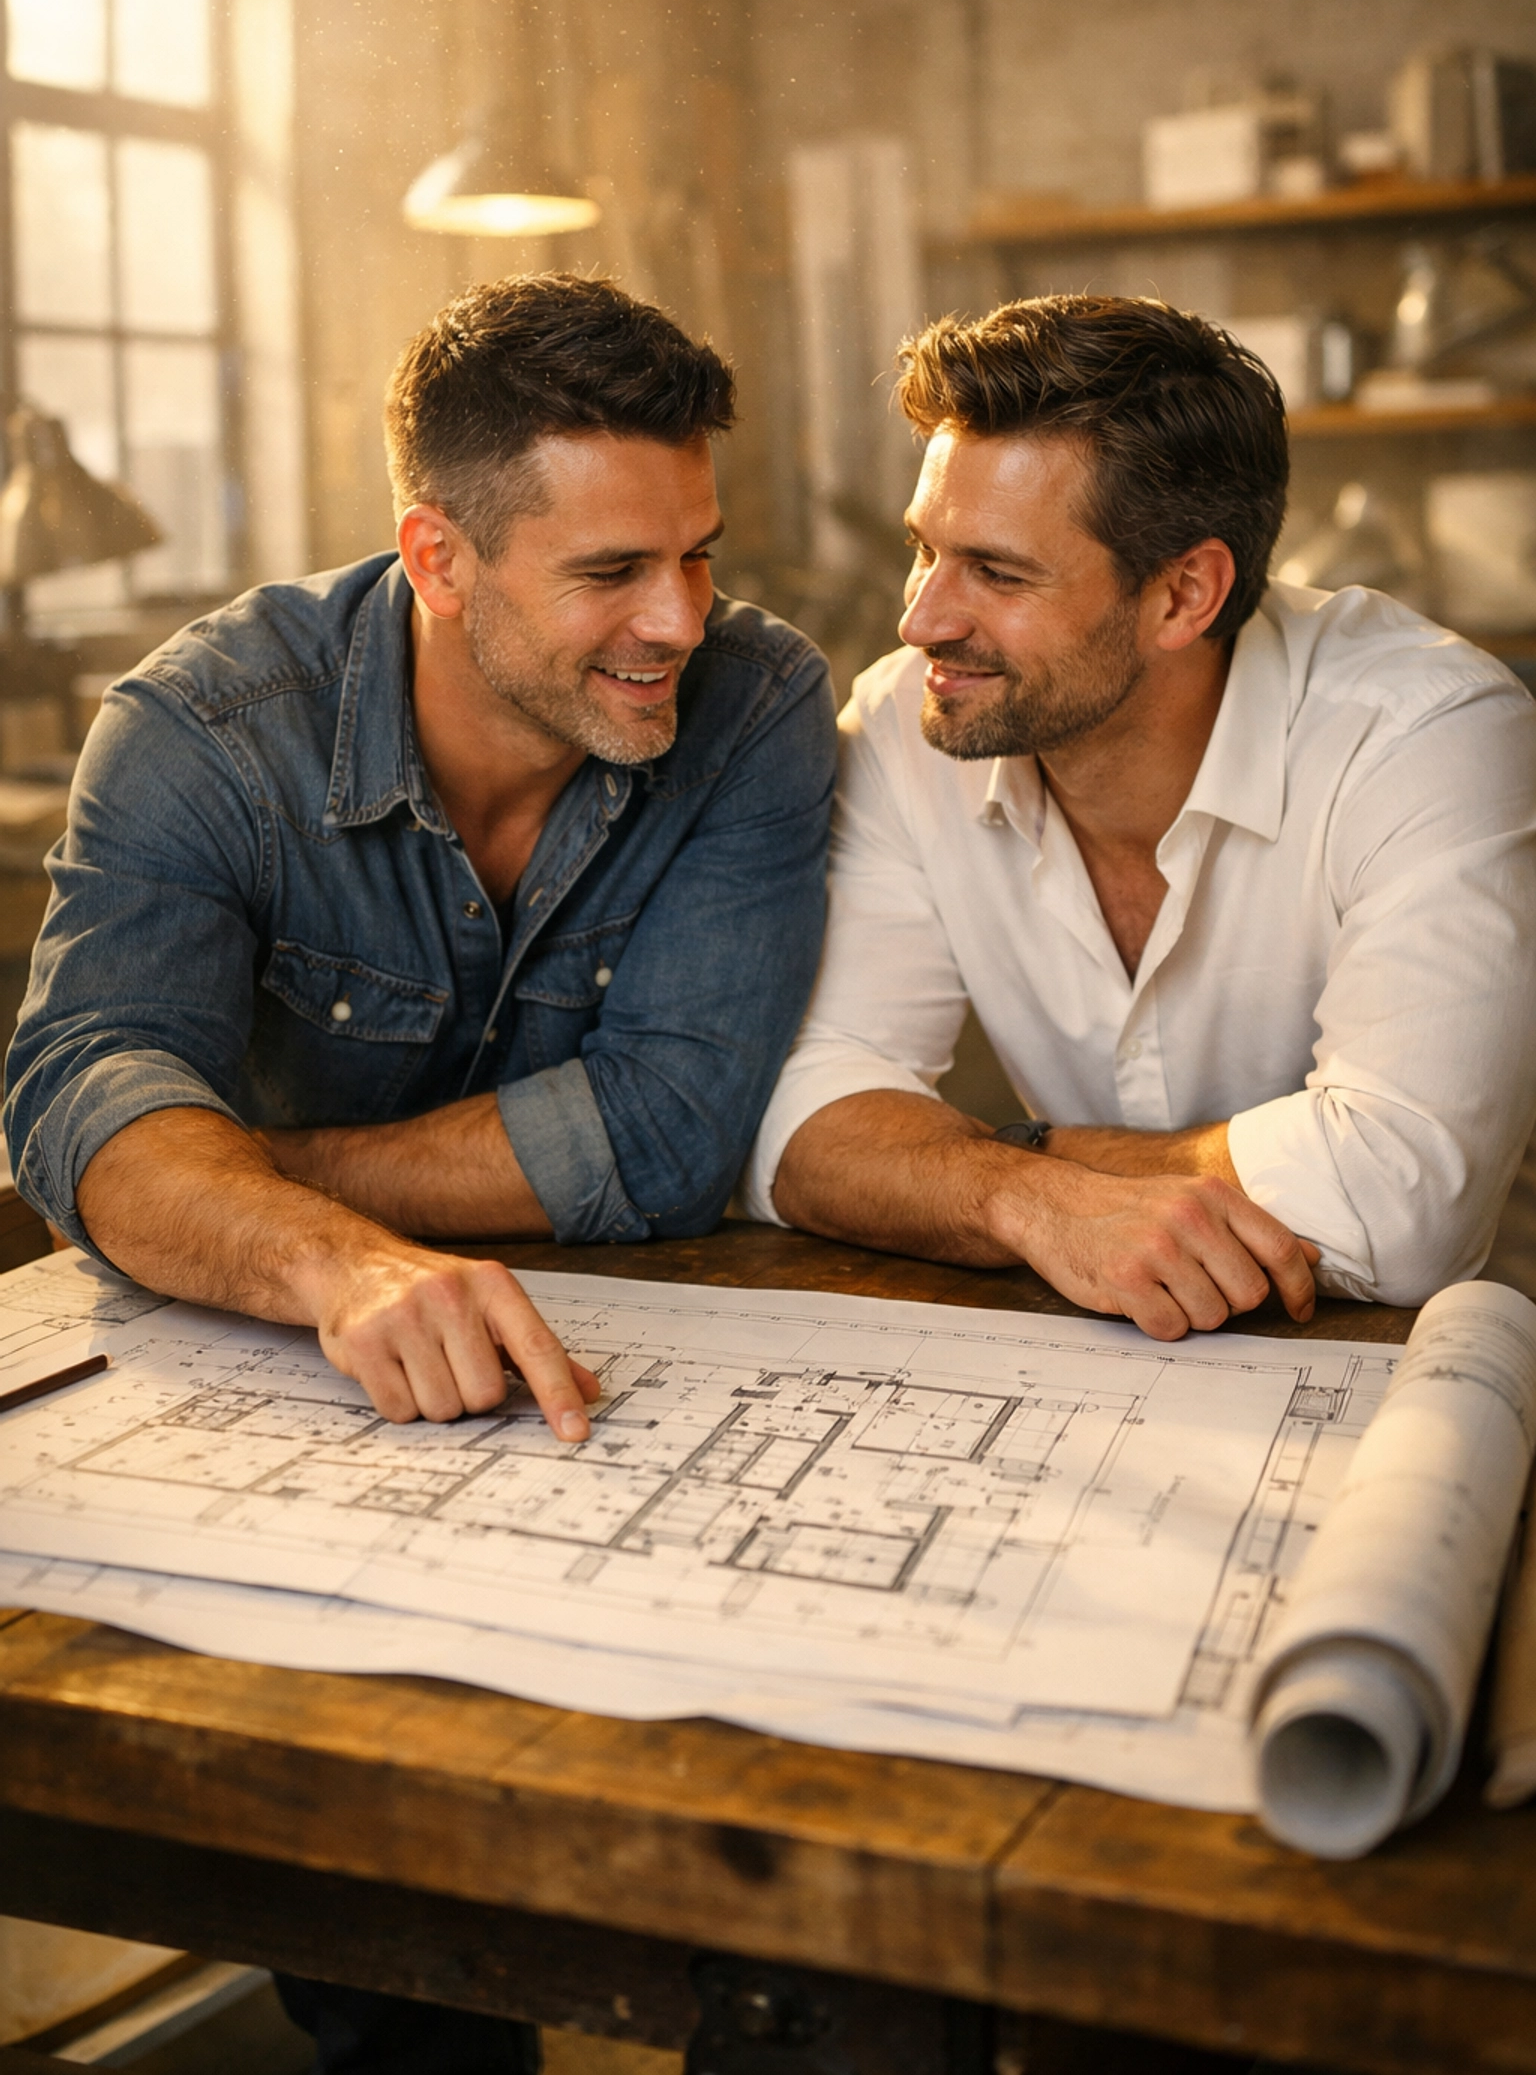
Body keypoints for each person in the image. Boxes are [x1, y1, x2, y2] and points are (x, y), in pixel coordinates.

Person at [4, 273, 836, 2074]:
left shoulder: (759, 699)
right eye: (611, 572)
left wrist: (239, 1181)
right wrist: (333, 1262)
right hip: (314, 1406)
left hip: (663, 1406)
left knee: (796, 1920)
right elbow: (83, 1096)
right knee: (391, 1965)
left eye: (698, 553)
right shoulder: (206, 727)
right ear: (438, 558)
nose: (680, 618)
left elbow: (672, 1128)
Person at [745, 293, 1536, 1337]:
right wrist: (1027, 1197)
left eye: (996, 572)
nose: (919, 618)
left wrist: (994, 1155)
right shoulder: (907, 721)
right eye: (924, 549)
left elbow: (1403, 1209)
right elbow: (797, 1126)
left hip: (1414, 1358)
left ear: (1183, 595)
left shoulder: (1427, 733)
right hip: (1102, 1334)